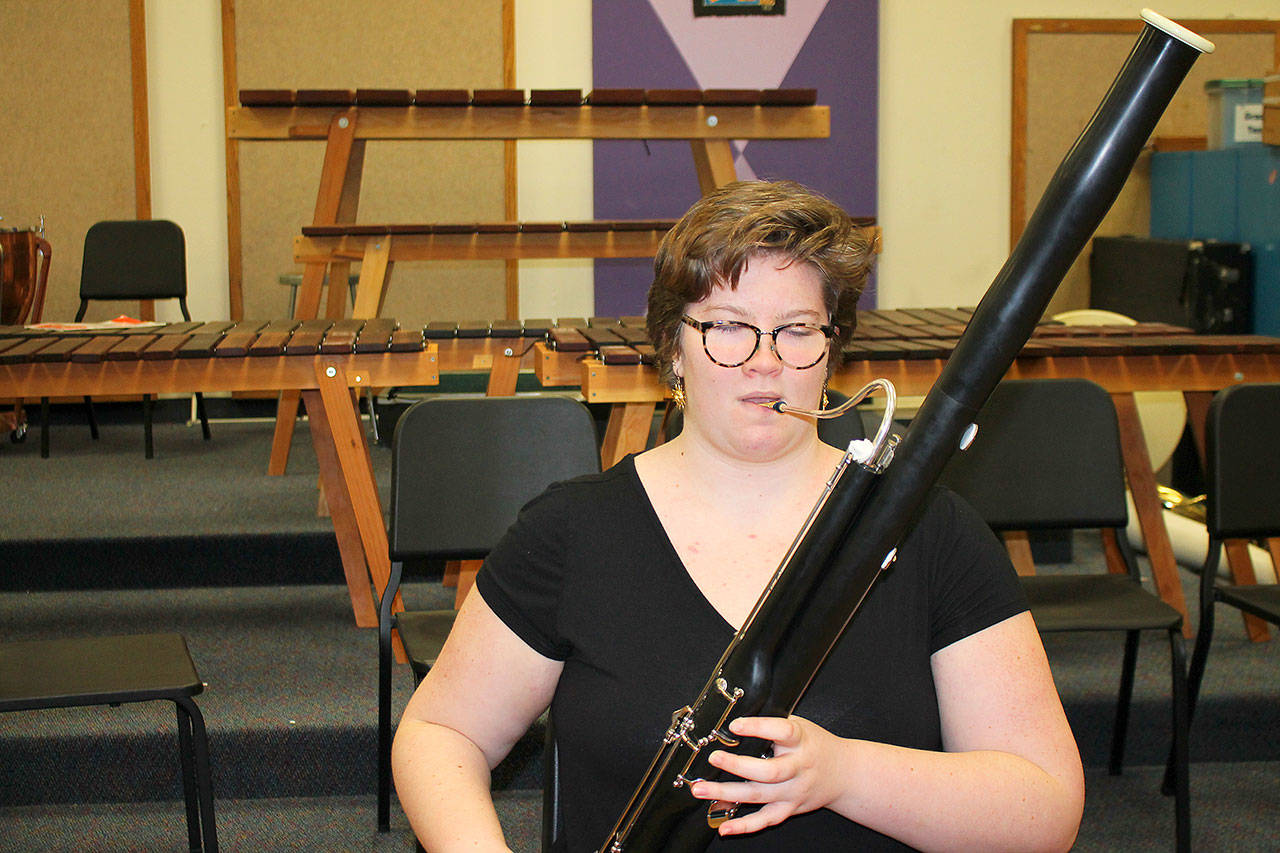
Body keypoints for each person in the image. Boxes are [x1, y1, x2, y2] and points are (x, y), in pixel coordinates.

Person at [393, 180, 1085, 851]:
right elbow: (442, 732)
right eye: (728, 327)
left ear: (831, 350)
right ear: (673, 348)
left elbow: (1046, 808)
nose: (765, 362)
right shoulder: (571, 533)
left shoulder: (932, 531)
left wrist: (845, 774)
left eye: (796, 330)